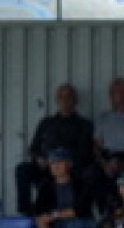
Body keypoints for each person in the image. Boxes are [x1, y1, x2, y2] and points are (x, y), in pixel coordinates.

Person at [14, 84, 95, 215]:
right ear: (56, 99)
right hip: (46, 167)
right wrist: (39, 158)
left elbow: (86, 153)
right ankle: (26, 212)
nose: (65, 100)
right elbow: (33, 148)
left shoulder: (84, 125)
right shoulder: (46, 123)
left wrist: (63, 162)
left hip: (70, 169)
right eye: (61, 97)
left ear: (75, 100)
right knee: (22, 170)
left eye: (69, 97)